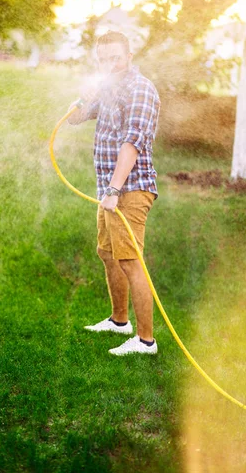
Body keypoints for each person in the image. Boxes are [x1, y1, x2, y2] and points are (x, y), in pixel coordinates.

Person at [67, 30, 161, 356]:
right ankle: (120, 320)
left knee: (131, 261)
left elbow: (132, 143)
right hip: (110, 190)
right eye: (103, 59)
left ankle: (146, 341)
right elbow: (76, 118)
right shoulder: (108, 88)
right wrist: (84, 96)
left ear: (129, 56)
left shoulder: (140, 89)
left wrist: (114, 190)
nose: (110, 64)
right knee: (108, 254)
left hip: (129, 189)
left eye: (116, 58)